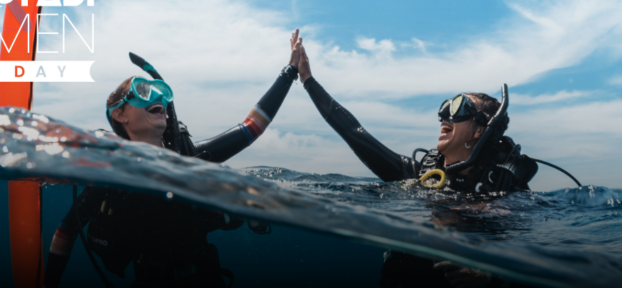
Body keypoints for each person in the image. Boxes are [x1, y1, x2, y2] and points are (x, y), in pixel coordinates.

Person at [43, 31, 306, 288]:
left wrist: (289, 71)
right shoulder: (109, 174)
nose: (158, 97)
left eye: (161, 92)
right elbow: (66, 231)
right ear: (119, 114)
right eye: (144, 91)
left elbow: (252, 127)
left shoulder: (190, 157)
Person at [293, 40, 537, 288]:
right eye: (444, 107)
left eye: (458, 107)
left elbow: (531, 254)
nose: (444, 115)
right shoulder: (420, 174)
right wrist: (308, 80)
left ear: (480, 130)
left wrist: (489, 274)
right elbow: (354, 133)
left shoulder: (504, 193)